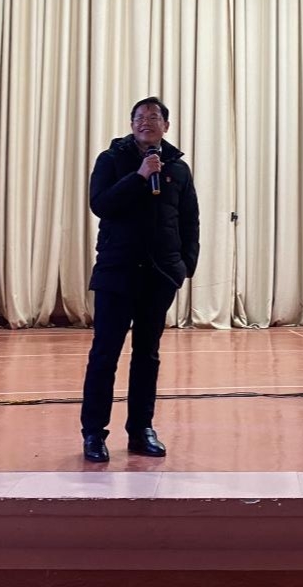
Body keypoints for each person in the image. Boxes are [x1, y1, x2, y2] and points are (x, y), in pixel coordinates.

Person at [80, 96, 200, 462]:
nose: (146, 121)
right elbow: (100, 204)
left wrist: (184, 267)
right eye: (140, 117)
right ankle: (94, 433)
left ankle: (141, 429)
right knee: (105, 354)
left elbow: (189, 220)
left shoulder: (178, 169)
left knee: (147, 355)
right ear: (131, 125)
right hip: (117, 272)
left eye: (154, 117)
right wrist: (139, 177)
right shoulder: (110, 159)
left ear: (166, 126)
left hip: (159, 275)